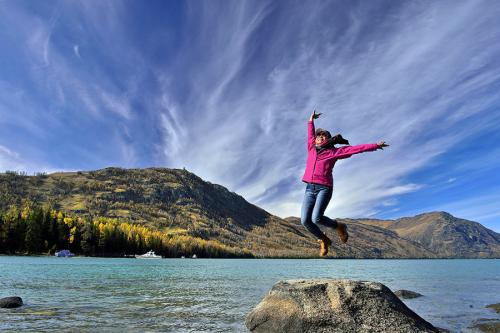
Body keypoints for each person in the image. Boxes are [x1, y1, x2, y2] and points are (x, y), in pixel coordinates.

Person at [301, 110, 389, 256]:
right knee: (305, 221)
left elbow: (355, 149)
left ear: (328, 140)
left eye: (324, 136)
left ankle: (339, 226)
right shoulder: (311, 148)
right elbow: (310, 133)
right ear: (315, 140)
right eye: (319, 136)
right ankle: (324, 240)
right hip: (310, 188)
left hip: (325, 187)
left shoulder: (334, 153)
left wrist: (375, 146)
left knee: (317, 217)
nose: (320, 137)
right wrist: (311, 120)